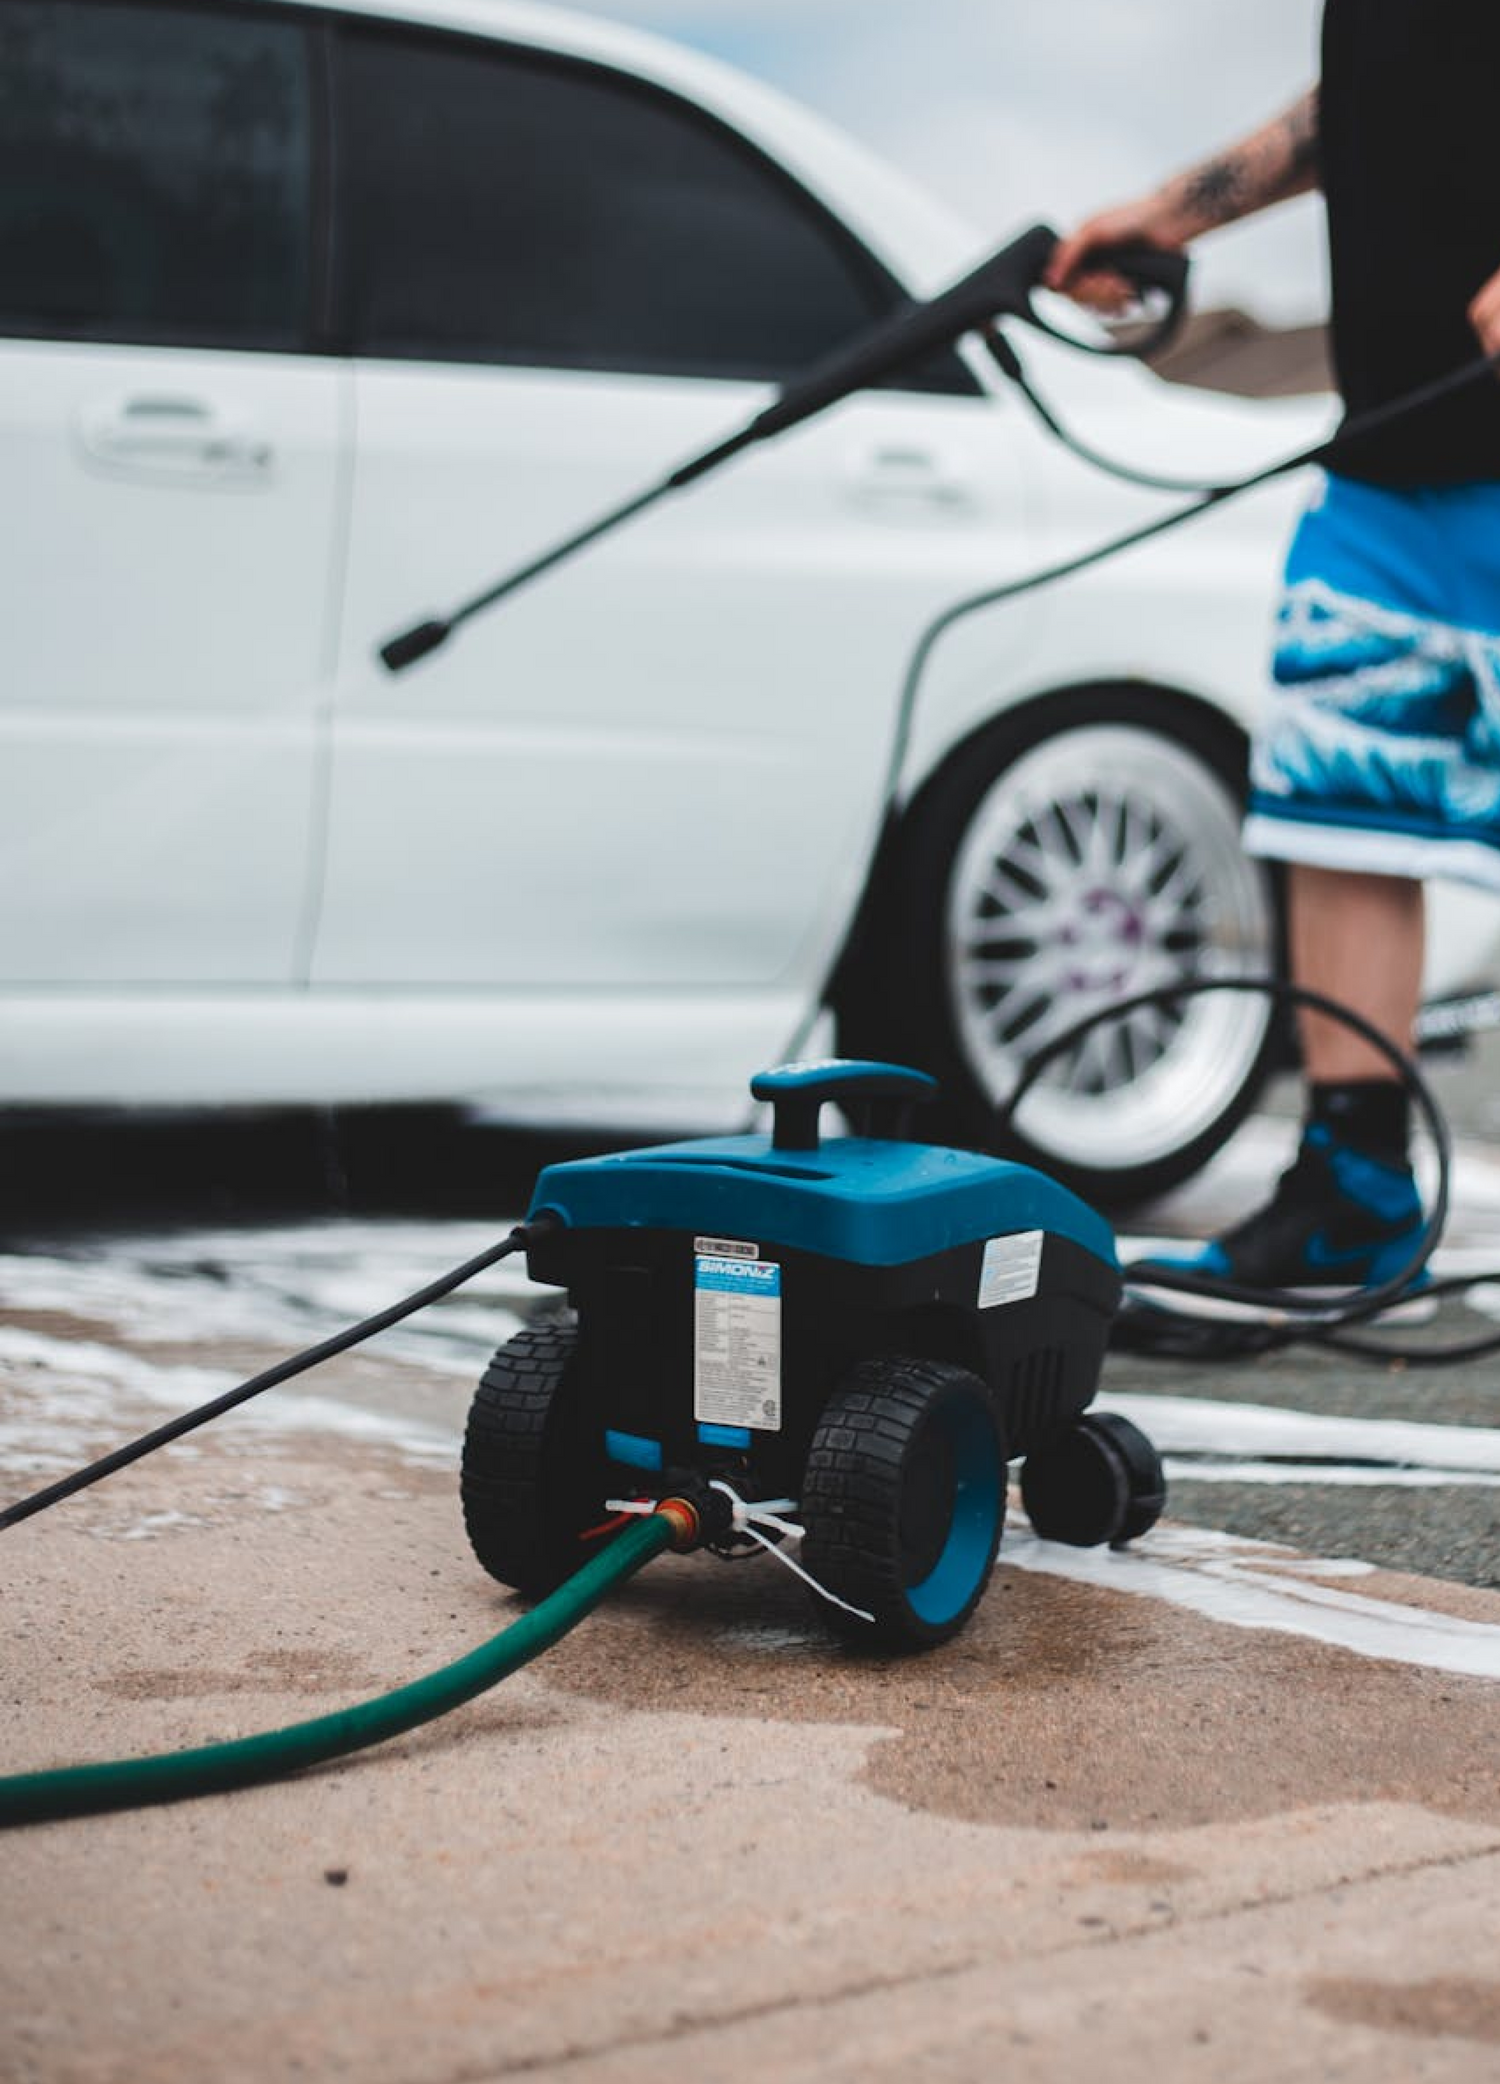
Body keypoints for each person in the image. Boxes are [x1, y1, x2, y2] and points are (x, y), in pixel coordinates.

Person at [1045, 1, 1500, 1291]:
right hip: (1392, 464)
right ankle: (1355, 1197)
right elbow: (1370, 95)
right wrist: (1177, 210)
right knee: (1340, 816)